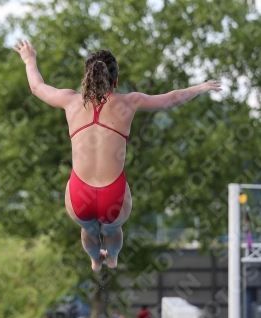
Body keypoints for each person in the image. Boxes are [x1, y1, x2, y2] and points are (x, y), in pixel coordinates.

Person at [12, 40, 222, 271]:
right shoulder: (129, 102)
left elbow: (37, 88)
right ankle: (111, 258)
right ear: (116, 80)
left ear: (87, 77)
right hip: (114, 195)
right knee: (113, 230)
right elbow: (170, 100)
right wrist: (201, 87)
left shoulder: (70, 101)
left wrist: (29, 60)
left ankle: (95, 260)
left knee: (88, 230)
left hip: (79, 194)